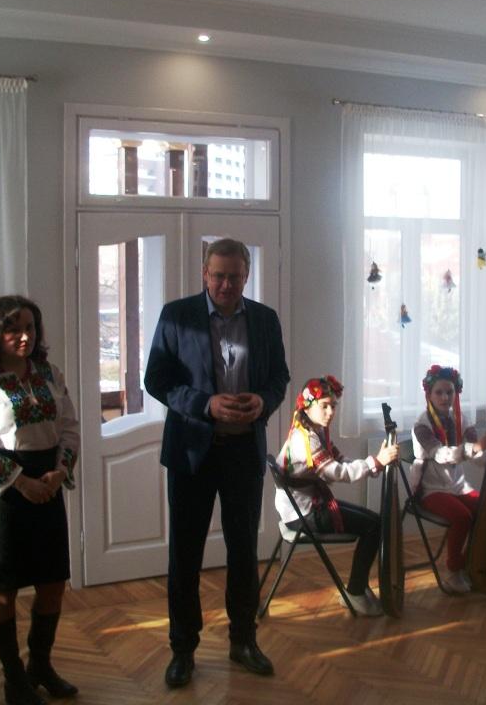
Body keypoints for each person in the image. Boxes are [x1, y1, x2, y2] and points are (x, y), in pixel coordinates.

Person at [144, 238, 290, 688]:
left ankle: (243, 640)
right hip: (191, 453)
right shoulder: (177, 315)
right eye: (219, 276)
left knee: (244, 551)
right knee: (184, 553)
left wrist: (262, 401)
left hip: (243, 452)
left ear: (247, 275)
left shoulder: (265, 319)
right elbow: (156, 380)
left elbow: (279, 377)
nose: (226, 284)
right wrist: (205, 405)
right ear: (205, 274)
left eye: (235, 276)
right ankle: (182, 649)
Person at [0, 296, 79, 705]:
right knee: (3, 587)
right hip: (2, 493)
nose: (25, 337)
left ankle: (40, 665)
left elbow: (69, 427)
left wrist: (59, 471)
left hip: (47, 481)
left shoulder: (49, 373)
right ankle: (14, 679)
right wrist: (21, 483)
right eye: (13, 329)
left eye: (30, 327)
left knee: (53, 582)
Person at [274, 375, 398, 616]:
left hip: (307, 507)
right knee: (373, 527)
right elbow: (338, 473)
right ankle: (355, 592)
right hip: (303, 514)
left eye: (333, 406)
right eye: (324, 406)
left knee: (374, 522)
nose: (330, 412)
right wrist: (375, 462)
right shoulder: (306, 440)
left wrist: (375, 464)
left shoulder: (313, 431)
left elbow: (340, 461)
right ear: (306, 407)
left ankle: (358, 587)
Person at [410, 365, 486, 593]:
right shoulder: (422, 425)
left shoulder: (462, 419)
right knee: (462, 517)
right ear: (429, 394)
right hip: (430, 490)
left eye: (449, 392)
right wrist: (476, 447)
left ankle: (474, 561)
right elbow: (441, 455)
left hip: (458, 487)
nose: (445, 397)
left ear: (456, 392)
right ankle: (454, 571)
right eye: (439, 392)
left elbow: (476, 457)